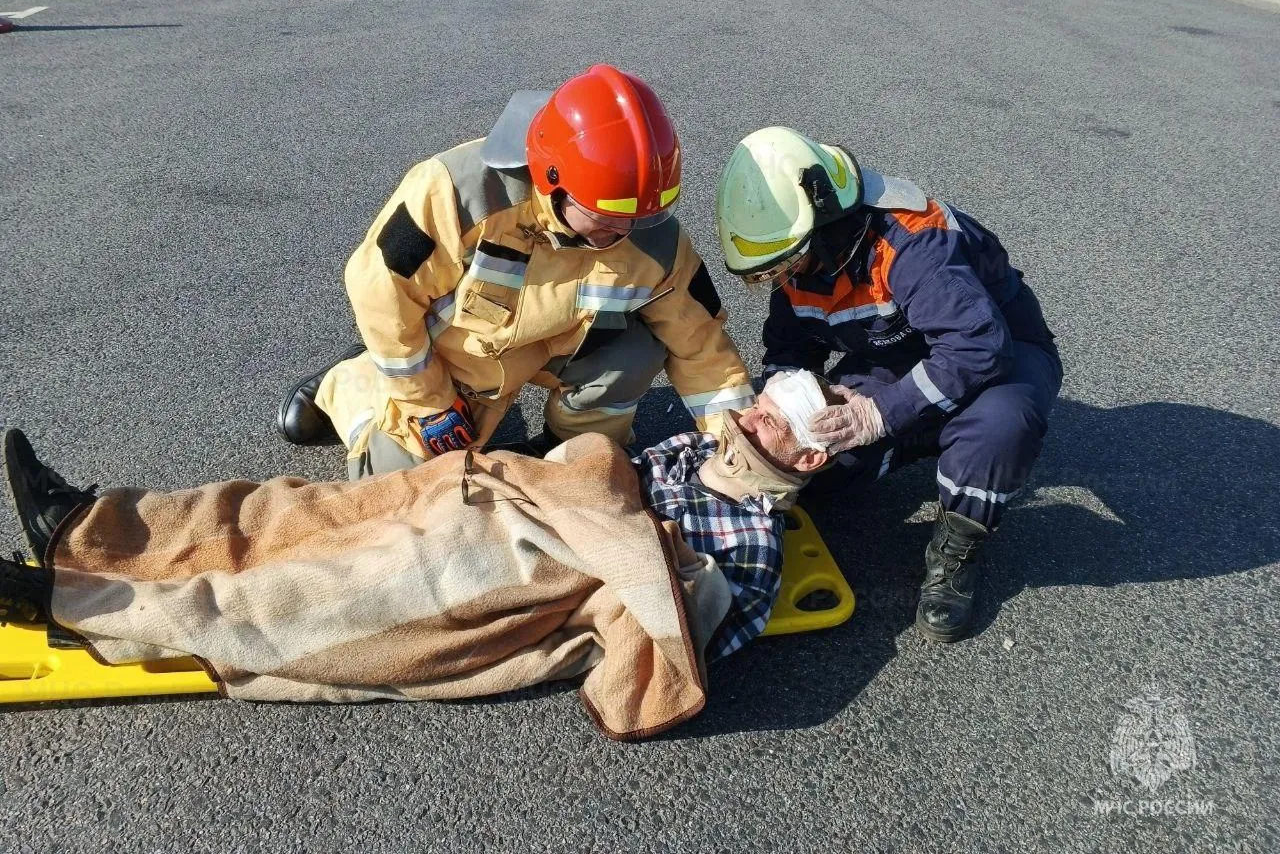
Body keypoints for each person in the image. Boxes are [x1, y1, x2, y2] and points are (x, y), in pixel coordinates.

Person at [0, 372, 834, 731]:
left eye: (770, 424)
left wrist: (634, 544)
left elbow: (690, 629)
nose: (747, 422)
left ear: (804, 460)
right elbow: (599, 470)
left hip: (540, 567)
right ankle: (87, 525)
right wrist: (591, 487)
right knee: (305, 510)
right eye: (756, 406)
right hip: (513, 498)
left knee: (334, 589)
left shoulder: (755, 544)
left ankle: (80, 608)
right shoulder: (696, 449)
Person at [276, 64, 754, 479]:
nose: (625, 229)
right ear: (553, 181)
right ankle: (351, 383)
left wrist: (745, 447)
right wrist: (429, 404)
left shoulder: (652, 235)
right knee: (402, 488)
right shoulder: (456, 193)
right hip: (455, 353)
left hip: (550, 346)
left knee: (636, 350)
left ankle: (567, 453)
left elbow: (703, 349)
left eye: (641, 212)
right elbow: (380, 292)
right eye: (607, 215)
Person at [714, 126, 1062, 643]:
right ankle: (914, 440)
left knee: (1000, 426)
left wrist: (877, 415)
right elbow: (791, 350)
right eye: (770, 273)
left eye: (788, 264)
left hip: (1001, 350)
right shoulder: (801, 255)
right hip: (897, 356)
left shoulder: (911, 240)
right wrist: (780, 407)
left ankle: (958, 545)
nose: (784, 279)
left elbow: (977, 346)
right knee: (822, 463)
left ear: (827, 224)